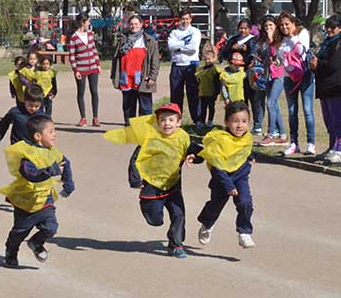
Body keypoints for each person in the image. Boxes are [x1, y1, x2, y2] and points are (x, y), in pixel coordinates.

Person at [104, 103, 203, 259]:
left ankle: (175, 244)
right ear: (157, 122)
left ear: (178, 122)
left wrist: (195, 157)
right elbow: (136, 159)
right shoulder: (150, 138)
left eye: (171, 120)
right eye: (163, 120)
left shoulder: (183, 137)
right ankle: (148, 207)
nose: (167, 123)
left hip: (173, 184)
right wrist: (136, 180)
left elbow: (197, 151)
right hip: (151, 184)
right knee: (155, 220)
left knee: (179, 214)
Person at [0, 115, 75, 267]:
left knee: (51, 227)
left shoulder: (53, 151)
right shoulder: (27, 154)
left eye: (55, 130)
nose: (55, 134)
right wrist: (51, 170)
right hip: (26, 201)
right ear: (38, 136)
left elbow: (65, 163)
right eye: (51, 131)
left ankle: (36, 242)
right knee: (20, 232)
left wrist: (69, 183)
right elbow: (31, 174)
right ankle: (11, 252)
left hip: (45, 199)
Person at [197, 101, 256, 249]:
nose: (240, 125)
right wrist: (228, 185)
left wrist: (250, 156)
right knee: (215, 205)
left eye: (244, 121)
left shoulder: (247, 137)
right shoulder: (220, 140)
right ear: (226, 122)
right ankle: (207, 223)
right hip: (221, 179)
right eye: (235, 121)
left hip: (240, 177)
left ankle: (244, 232)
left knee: (245, 202)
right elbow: (217, 167)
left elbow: (243, 149)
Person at [309, 15, 341, 164]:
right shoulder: (327, 42)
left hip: (337, 85)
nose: (329, 30)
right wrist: (314, 64)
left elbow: (335, 64)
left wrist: (318, 63)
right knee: (329, 119)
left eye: (332, 27)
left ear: (340, 28)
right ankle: (332, 147)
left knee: (338, 118)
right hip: (324, 85)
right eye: (327, 26)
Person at [277, 12, 316, 156]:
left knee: (307, 111)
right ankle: (294, 143)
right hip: (289, 78)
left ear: (294, 23)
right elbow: (280, 58)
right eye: (281, 25)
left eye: (287, 24)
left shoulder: (303, 33)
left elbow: (302, 51)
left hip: (305, 76)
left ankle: (311, 143)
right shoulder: (280, 40)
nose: (284, 27)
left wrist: (292, 36)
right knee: (292, 111)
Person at [111, 14, 160, 126]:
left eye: (136, 24)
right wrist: (114, 76)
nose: (134, 26)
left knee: (145, 108)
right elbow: (115, 59)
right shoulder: (122, 40)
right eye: (131, 24)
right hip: (126, 78)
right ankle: (130, 129)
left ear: (141, 25)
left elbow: (155, 61)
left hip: (143, 79)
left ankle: (145, 130)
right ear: (128, 25)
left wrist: (152, 77)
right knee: (128, 107)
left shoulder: (149, 40)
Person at [220, 19, 262, 132]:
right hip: (234, 74)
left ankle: (257, 124)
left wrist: (247, 50)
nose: (243, 30)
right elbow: (224, 54)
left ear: (249, 29)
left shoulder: (253, 40)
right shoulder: (233, 39)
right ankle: (239, 123)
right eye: (241, 28)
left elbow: (254, 55)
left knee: (253, 99)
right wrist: (232, 48)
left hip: (248, 73)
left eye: (245, 28)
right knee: (240, 101)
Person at [256, 16, 288, 147]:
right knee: (274, 105)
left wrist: (270, 39)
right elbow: (262, 54)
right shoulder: (262, 41)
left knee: (270, 102)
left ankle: (270, 134)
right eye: (266, 26)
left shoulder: (281, 40)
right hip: (268, 74)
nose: (268, 28)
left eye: (271, 25)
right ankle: (283, 135)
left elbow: (277, 54)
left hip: (280, 74)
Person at [167, 10, 201, 123]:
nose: (185, 21)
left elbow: (193, 48)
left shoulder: (195, 31)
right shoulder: (174, 33)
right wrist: (184, 44)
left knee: (193, 95)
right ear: (179, 19)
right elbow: (170, 46)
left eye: (187, 19)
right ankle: (176, 121)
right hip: (177, 65)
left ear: (190, 19)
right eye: (183, 19)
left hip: (191, 65)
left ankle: (197, 121)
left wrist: (178, 47)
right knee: (176, 95)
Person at [68, 13, 101, 127]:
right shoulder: (74, 37)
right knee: (81, 92)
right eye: (88, 21)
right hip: (81, 69)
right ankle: (83, 118)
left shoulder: (91, 34)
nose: (89, 23)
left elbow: (94, 50)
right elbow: (72, 56)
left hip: (93, 67)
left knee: (94, 91)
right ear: (83, 22)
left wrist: (98, 64)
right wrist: (76, 70)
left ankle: (95, 118)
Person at [194, 44, 221, 131]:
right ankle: (202, 121)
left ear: (214, 59)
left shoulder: (214, 69)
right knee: (202, 108)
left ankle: (210, 121)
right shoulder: (201, 69)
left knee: (211, 107)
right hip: (202, 92)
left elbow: (217, 81)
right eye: (206, 59)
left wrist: (216, 92)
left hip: (211, 92)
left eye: (209, 59)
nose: (207, 61)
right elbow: (198, 78)